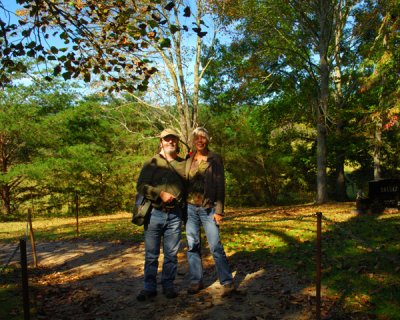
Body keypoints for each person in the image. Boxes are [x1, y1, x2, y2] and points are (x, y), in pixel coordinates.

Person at [136, 128, 186, 301]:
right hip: (154, 214)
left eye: (173, 139)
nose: (170, 142)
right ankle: (149, 287)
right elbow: (141, 186)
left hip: (175, 215)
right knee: (151, 255)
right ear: (161, 142)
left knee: (171, 255)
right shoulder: (152, 162)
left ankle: (168, 285)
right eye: (167, 139)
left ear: (177, 142)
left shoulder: (183, 163)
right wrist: (160, 194)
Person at [185, 127, 235, 296]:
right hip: (190, 208)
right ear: (193, 141)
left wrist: (219, 210)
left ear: (207, 140)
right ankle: (195, 281)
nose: (200, 140)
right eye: (197, 138)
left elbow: (221, 185)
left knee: (215, 245)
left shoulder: (215, 159)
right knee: (193, 245)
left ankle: (227, 281)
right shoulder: (188, 158)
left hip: (208, 208)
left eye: (203, 138)